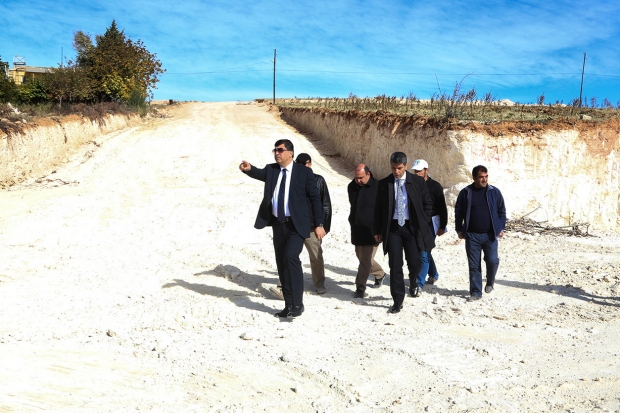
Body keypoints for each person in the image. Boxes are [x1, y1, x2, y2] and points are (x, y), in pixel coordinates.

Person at [239, 140, 326, 318]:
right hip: (279, 225)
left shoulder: (304, 172)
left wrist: (319, 224)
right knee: (281, 264)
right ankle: (288, 305)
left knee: (291, 257)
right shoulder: (272, 170)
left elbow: (315, 199)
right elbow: (260, 173)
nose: (277, 153)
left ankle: (298, 304)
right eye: (275, 150)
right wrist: (249, 169)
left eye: (280, 150)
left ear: (291, 153)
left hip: (296, 225)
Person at [373, 152, 434, 314]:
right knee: (395, 264)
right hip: (393, 229)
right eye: (393, 168)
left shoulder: (417, 182)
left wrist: (423, 221)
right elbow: (377, 209)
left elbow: (428, 204)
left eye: (399, 168)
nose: (396, 171)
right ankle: (397, 300)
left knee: (415, 263)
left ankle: (413, 282)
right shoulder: (384, 183)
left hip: (411, 228)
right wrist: (377, 230)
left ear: (406, 166)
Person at [268, 153, 331, 298]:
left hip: (312, 228)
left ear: (310, 164)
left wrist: (323, 225)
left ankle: (319, 284)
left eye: (305, 163)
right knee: (288, 256)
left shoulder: (319, 180)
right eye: (300, 163)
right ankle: (283, 287)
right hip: (294, 226)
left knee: (316, 256)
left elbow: (325, 204)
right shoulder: (291, 178)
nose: (302, 165)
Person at [454, 165, 506, 301]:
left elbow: (501, 211)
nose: (484, 179)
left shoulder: (494, 192)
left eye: (486, 176)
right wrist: (459, 229)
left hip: (490, 234)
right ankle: (476, 292)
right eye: (481, 177)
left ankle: (490, 281)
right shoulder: (466, 192)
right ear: (474, 178)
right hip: (472, 235)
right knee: (474, 265)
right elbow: (458, 212)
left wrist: (500, 228)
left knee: (492, 261)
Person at [347, 163, 388, 298]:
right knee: (362, 257)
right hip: (357, 229)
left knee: (365, 260)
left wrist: (381, 230)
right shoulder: (351, 186)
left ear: (368, 174)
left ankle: (360, 287)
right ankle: (380, 273)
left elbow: (383, 211)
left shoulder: (379, 187)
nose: (358, 180)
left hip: (372, 231)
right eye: (356, 177)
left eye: (361, 178)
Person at [411, 159, 448, 290]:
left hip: (431, 224)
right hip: (416, 222)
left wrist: (442, 226)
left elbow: (442, 207)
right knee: (423, 251)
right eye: (415, 171)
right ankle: (433, 274)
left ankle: (419, 283)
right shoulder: (412, 185)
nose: (417, 173)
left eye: (419, 171)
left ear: (426, 171)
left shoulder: (435, 186)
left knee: (423, 252)